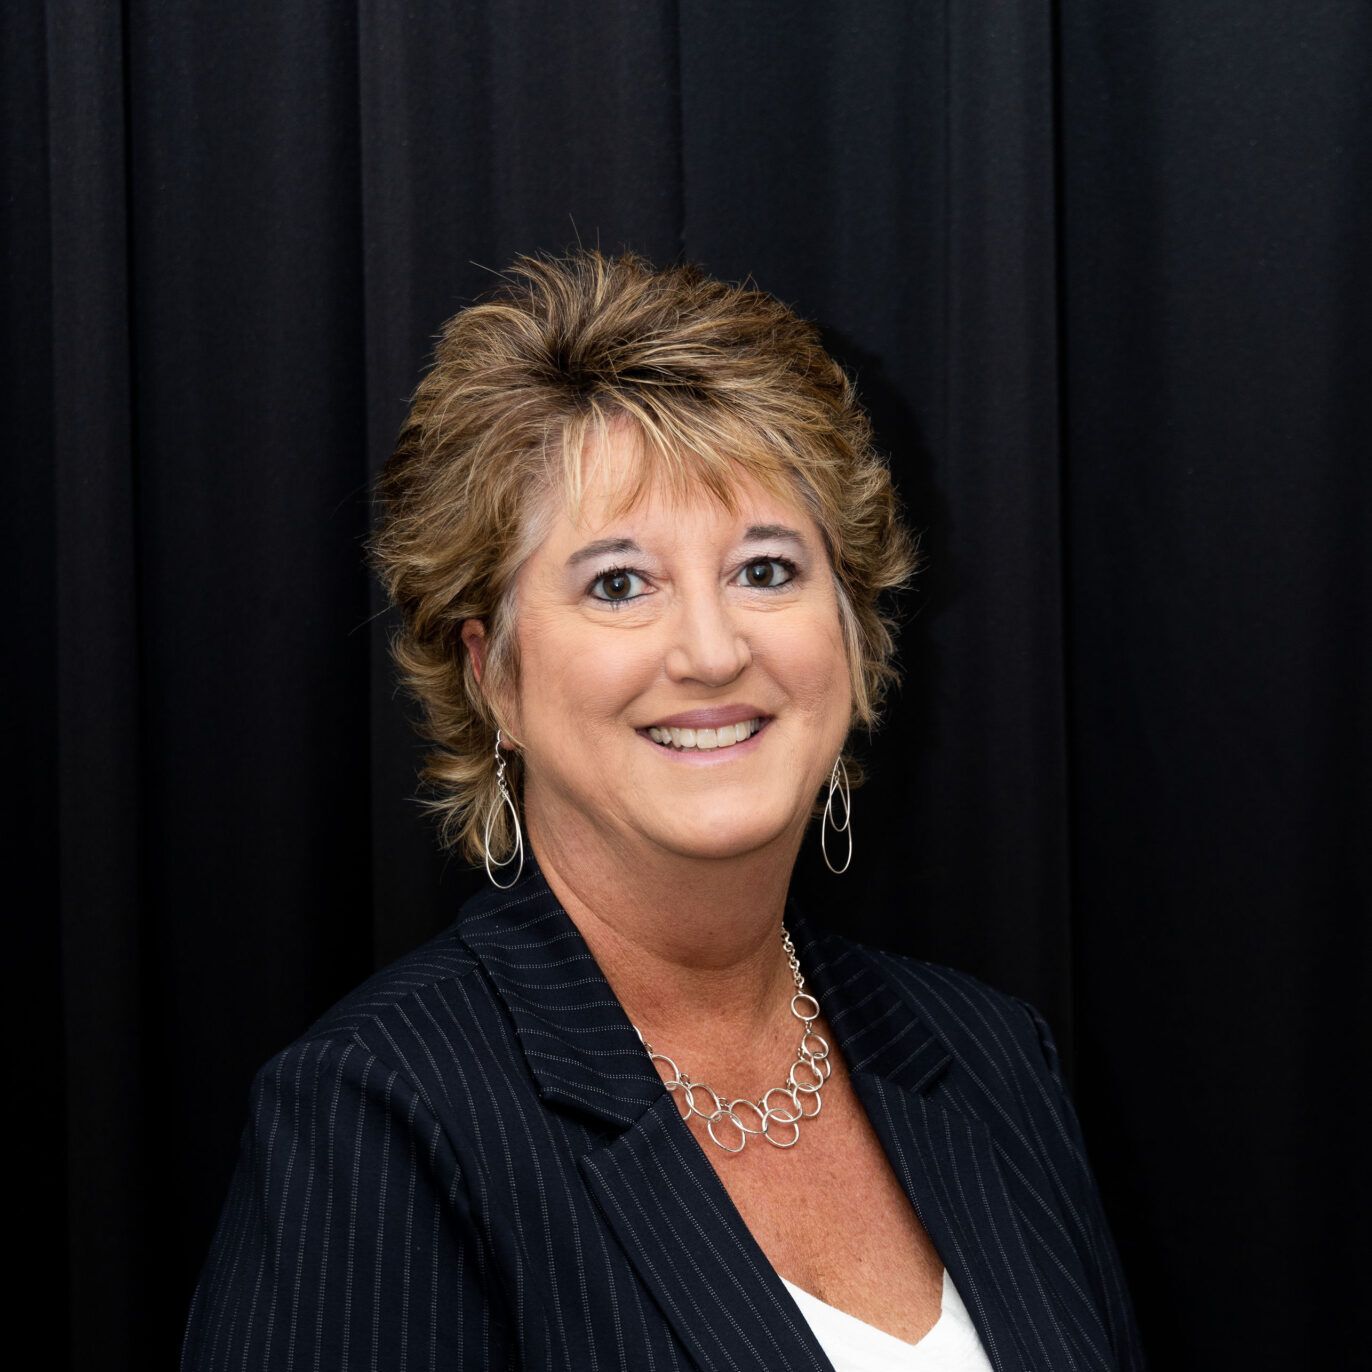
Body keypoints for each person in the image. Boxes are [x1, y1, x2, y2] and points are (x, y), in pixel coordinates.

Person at [180, 248, 1148, 1372]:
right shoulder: (379, 1116)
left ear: (853, 632)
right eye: (619, 583)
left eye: (768, 569)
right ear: (493, 676)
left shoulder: (986, 1058)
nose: (711, 648)